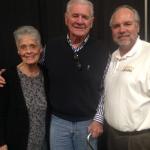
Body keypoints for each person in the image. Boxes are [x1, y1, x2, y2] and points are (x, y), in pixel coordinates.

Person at [0, 0, 108, 149]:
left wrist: (98, 119)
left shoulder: (102, 51)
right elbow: (32, 62)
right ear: (66, 19)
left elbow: (106, 90)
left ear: (92, 21)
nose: (79, 21)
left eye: (85, 16)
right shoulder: (51, 47)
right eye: (75, 15)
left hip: (88, 124)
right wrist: (7, 74)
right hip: (58, 123)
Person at [103, 5, 150, 150]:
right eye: (116, 26)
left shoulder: (148, 54)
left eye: (127, 24)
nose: (122, 30)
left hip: (138, 141)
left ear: (138, 26)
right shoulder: (114, 56)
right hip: (112, 136)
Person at [0, 26, 49, 150]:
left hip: (43, 145)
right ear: (18, 51)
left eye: (33, 46)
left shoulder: (46, 74)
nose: (28, 51)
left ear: (40, 48)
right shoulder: (7, 77)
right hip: (16, 145)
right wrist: (1, 144)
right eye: (23, 47)